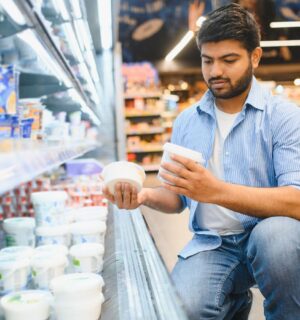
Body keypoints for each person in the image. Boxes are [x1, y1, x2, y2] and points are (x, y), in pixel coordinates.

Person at [103, 3, 300, 320]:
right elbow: (178, 198)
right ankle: (234, 302)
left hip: (270, 236)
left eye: (229, 60)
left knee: (277, 239)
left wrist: (213, 190)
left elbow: (296, 201)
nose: (215, 71)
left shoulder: (285, 117)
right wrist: (144, 196)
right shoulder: (186, 122)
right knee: (185, 308)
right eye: (208, 61)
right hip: (214, 244)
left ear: (255, 57)